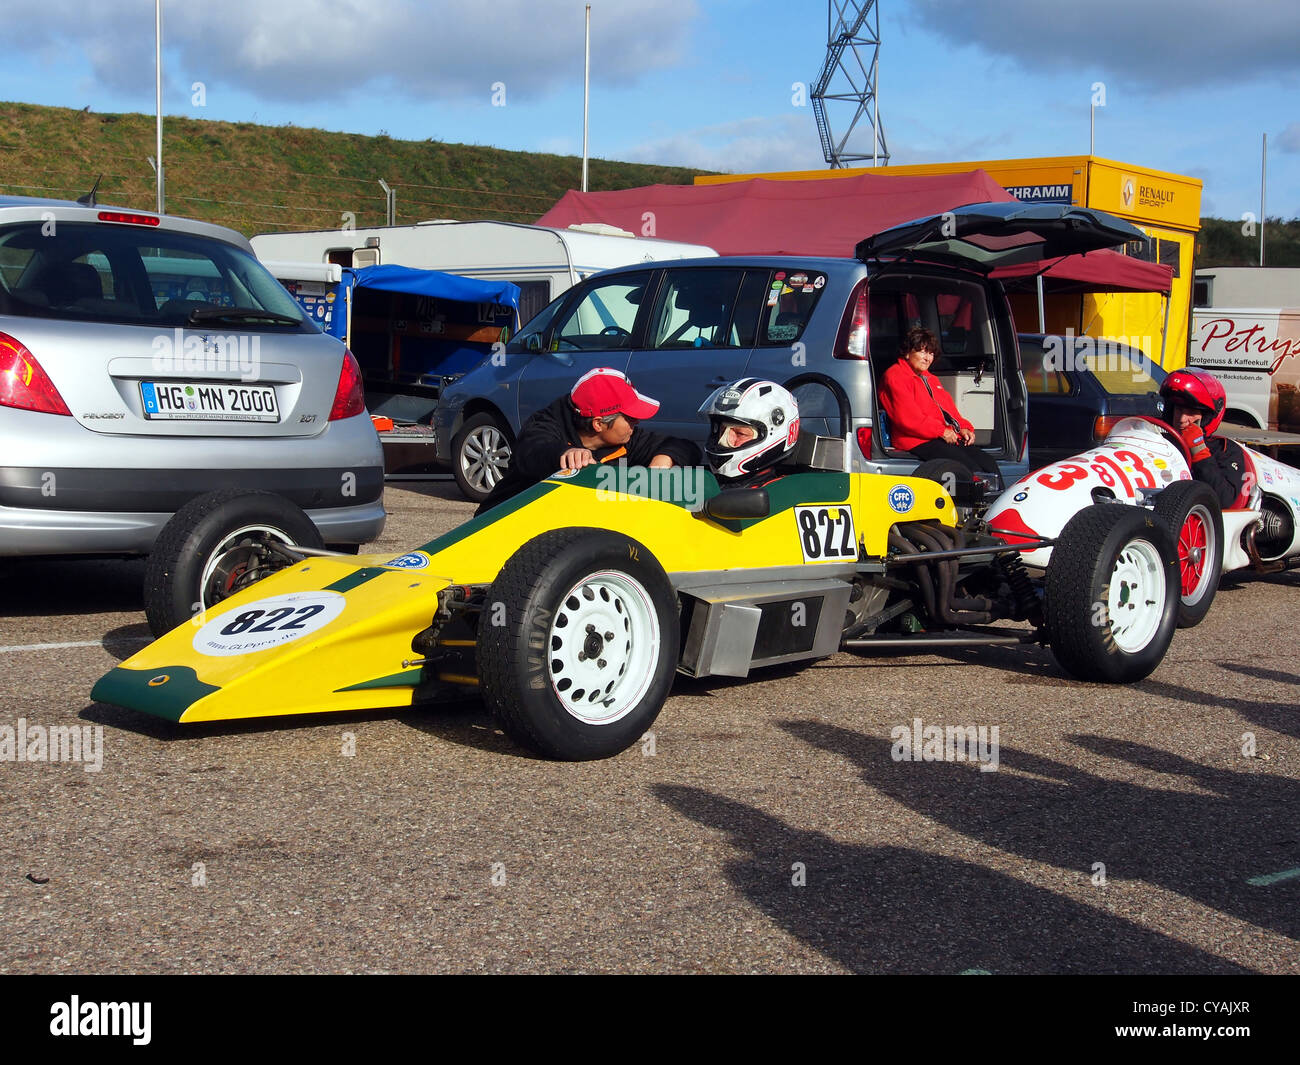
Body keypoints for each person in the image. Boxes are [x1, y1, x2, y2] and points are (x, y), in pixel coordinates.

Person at [474, 367, 700, 515]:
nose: (637, 422)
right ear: (599, 424)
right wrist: (563, 455)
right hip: (498, 528)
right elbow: (534, 450)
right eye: (630, 417)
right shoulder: (543, 426)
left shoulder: (625, 438)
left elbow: (685, 446)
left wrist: (665, 458)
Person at [879, 326, 1000, 475]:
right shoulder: (895, 376)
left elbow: (949, 410)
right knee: (968, 469)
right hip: (915, 440)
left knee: (989, 463)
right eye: (922, 351)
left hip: (939, 437)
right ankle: (974, 498)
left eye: (930, 353)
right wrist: (941, 431)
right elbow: (908, 419)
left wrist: (963, 428)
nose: (927, 358)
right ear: (907, 353)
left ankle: (998, 498)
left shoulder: (931, 378)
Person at [1159, 368, 1250, 509]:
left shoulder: (1226, 450)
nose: (1183, 419)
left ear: (1207, 417)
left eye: (1191, 412)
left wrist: (1199, 451)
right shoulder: (1159, 440)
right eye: (1178, 410)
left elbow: (1225, 501)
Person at [698, 378, 801, 487]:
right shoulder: (705, 483)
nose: (722, 441)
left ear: (773, 435)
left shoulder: (782, 492)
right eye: (721, 431)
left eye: (740, 434)